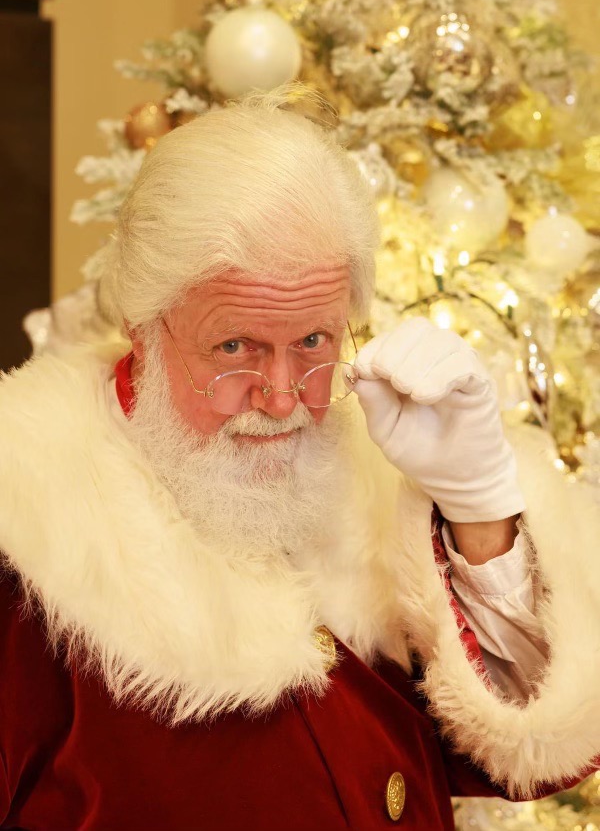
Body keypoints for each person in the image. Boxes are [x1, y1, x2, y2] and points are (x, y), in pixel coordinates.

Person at [1, 91, 599, 830]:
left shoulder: (374, 479)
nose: (282, 399)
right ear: (142, 326)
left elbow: (528, 752)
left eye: (314, 342)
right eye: (234, 347)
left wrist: (479, 510)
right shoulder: (27, 537)